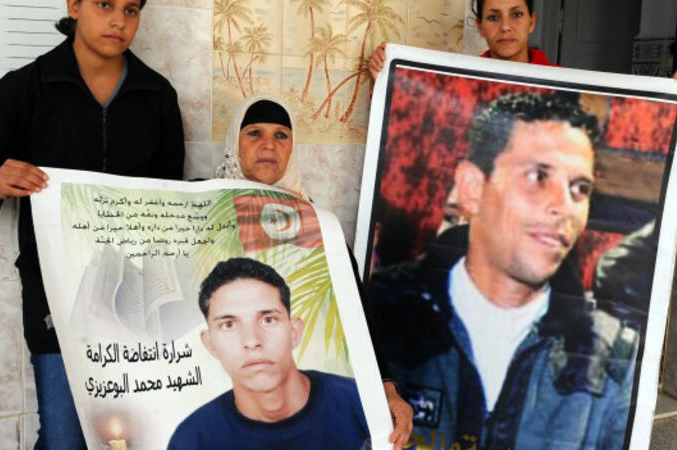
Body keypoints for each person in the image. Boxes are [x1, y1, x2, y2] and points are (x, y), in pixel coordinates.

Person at [0, 1, 185, 448]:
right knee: (63, 437)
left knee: (131, 436)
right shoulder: (26, 88)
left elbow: (168, 195)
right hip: (54, 291)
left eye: (132, 10)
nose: (119, 20)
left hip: (137, 298)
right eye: (105, 4)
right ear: (74, 6)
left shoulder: (157, 95)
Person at [365, 92, 640, 449]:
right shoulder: (384, 308)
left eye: (580, 188)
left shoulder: (611, 354)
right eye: (538, 176)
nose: (564, 207)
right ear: (472, 188)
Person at [215, 94, 414, 448]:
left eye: (281, 135)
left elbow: (355, 316)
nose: (268, 145)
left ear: (293, 148)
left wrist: (387, 390)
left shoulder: (320, 228)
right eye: (254, 132)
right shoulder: (200, 211)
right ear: (235, 141)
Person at [168, 257, 370, 449]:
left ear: (294, 332)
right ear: (210, 344)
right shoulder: (192, 440)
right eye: (229, 325)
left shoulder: (362, 404)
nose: (252, 341)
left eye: (268, 320)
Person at [368, 0, 677, 99]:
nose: (505, 26)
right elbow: (417, 110)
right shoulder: (459, 83)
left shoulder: (564, 84)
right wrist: (385, 75)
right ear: (481, 27)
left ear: (532, 22)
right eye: (493, 17)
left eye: (516, 15)